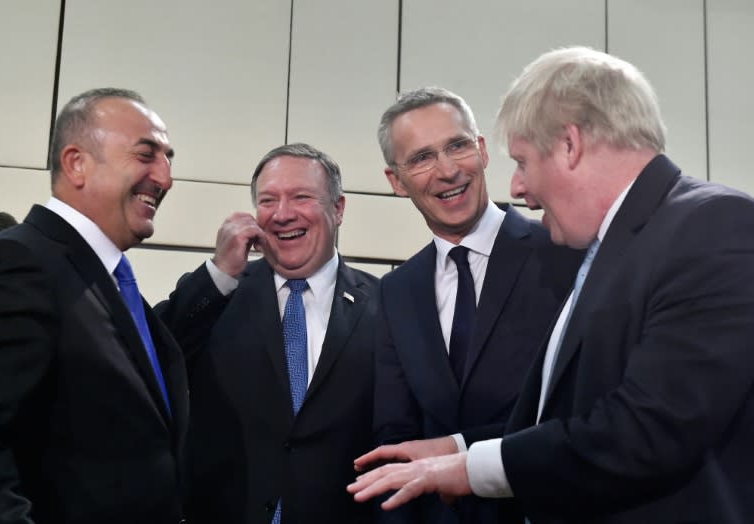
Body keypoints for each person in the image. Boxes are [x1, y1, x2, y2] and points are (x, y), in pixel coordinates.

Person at [348, 46, 754, 523]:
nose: (517, 186)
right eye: (421, 157)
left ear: (569, 145)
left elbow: (647, 428)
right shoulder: (620, 247)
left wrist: (467, 467)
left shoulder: (712, 225)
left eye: (521, 161)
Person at [0, 88, 236, 523]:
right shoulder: (19, 262)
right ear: (76, 163)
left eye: (168, 158)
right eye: (146, 155)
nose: (166, 178)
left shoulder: (108, 280)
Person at [352, 87, 581, 523]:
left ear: (481, 151)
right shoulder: (396, 290)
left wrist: (458, 449)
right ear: (396, 182)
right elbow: (396, 441)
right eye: (421, 158)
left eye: (457, 146)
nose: (447, 171)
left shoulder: (561, 254)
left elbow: (579, 411)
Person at [174, 143, 379, 523]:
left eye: (301, 197)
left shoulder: (385, 305)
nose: (282, 214)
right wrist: (219, 272)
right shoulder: (219, 294)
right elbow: (154, 351)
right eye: (268, 201)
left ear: (338, 208)